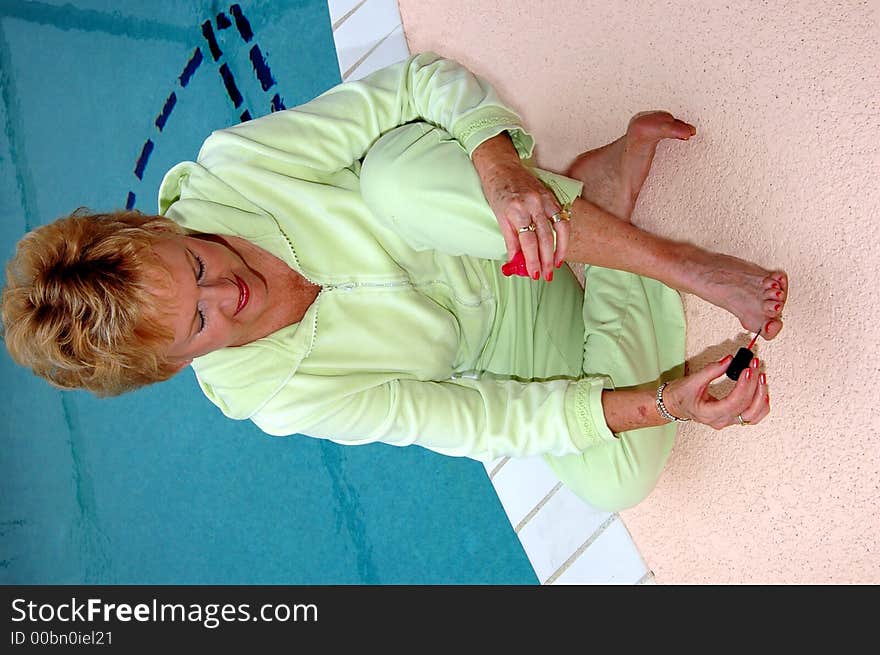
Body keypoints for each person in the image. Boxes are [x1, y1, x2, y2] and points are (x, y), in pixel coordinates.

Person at [1, 52, 787, 511]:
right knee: (617, 473)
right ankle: (599, 199)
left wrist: (497, 161)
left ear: (162, 230)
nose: (229, 292)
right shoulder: (277, 397)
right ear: (176, 364)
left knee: (395, 183)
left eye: (197, 266)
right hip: (505, 329)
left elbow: (414, 86)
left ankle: (669, 260)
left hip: (476, 207)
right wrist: (657, 404)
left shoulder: (234, 168)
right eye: (199, 324)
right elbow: (469, 418)